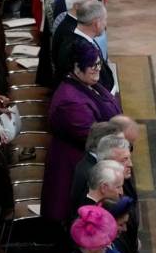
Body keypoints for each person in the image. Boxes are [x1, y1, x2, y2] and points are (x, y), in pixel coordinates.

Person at [42, 39, 123, 226]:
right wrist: (120, 139)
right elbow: (91, 137)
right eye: (91, 65)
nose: (97, 69)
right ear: (76, 67)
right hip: (74, 168)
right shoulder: (70, 101)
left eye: (98, 64)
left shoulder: (89, 84)